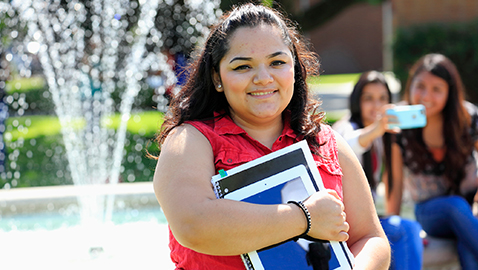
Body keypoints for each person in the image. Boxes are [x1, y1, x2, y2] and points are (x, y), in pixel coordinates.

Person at [152, 3, 390, 270]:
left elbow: (371, 237)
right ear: (217, 78)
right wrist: (304, 217)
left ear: (295, 70)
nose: (263, 78)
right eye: (243, 67)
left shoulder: (328, 142)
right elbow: (192, 224)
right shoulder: (190, 140)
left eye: (277, 62)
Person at [388, 53, 478, 269]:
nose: (426, 95)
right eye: (420, 86)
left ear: (450, 92)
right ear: (410, 86)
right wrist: (393, 230)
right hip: (429, 211)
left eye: (437, 89)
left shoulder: (467, 117)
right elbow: (395, 183)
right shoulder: (399, 123)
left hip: (469, 208)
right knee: (454, 206)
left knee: (467, 241)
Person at [333, 71, 423, 270]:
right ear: (357, 101)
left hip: (365, 221)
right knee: (408, 229)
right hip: (345, 222)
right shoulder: (346, 127)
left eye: (382, 98)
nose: (376, 105)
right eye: (369, 99)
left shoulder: (383, 135)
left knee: (407, 230)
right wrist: (376, 129)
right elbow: (348, 145)